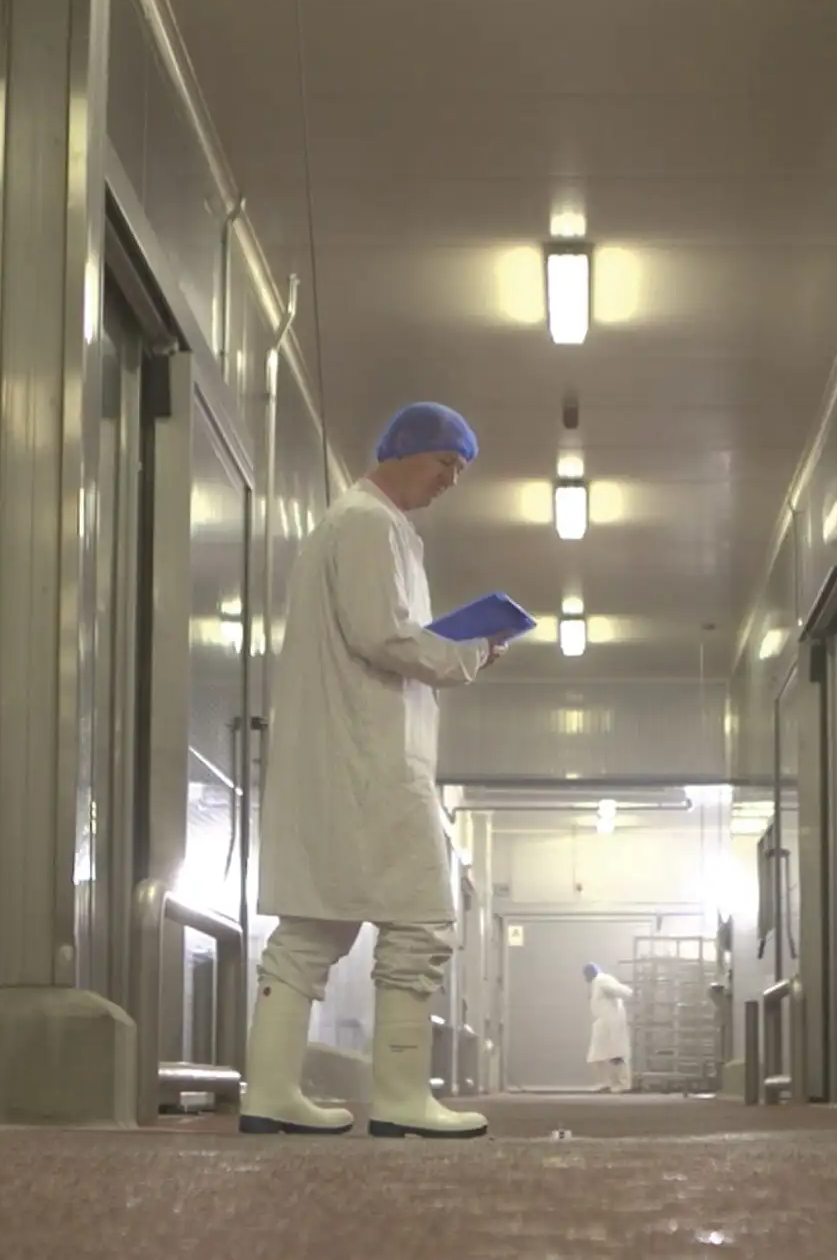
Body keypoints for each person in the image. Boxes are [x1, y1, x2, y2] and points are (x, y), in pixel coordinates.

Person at [240, 402, 501, 1140]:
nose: (452, 480)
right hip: (369, 761)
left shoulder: (367, 527)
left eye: (460, 469)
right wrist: (472, 650)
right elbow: (384, 635)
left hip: (347, 756)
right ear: (405, 451)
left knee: (312, 930)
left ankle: (271, 1093)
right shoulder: (368, 524)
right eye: (446, 462)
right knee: (422, 921)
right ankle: (400, 1096)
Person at [584, 963, 635, 1094]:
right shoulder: (598, 982)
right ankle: (604, 1083)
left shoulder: (602, 980)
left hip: (612, 1022)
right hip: (603, 1021)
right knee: (597, 1054)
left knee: (616, 1053)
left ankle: (624, 1084)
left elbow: (622, 991)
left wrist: (631, 994)